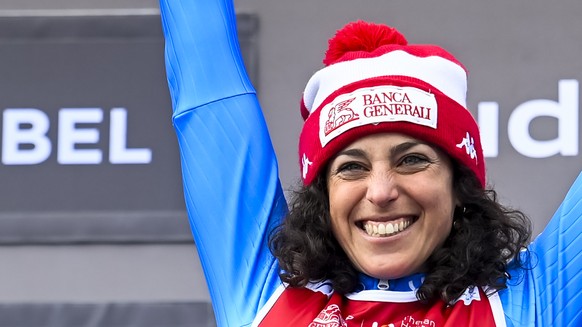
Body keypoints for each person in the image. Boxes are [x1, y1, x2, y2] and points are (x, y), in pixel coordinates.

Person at [159, 0, 582, 326]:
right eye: (352, 167)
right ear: (323, 196)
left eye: (412, 160)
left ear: (459, 184)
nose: (380, 192)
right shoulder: (267, 293)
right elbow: (206, 75)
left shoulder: (528, 303)